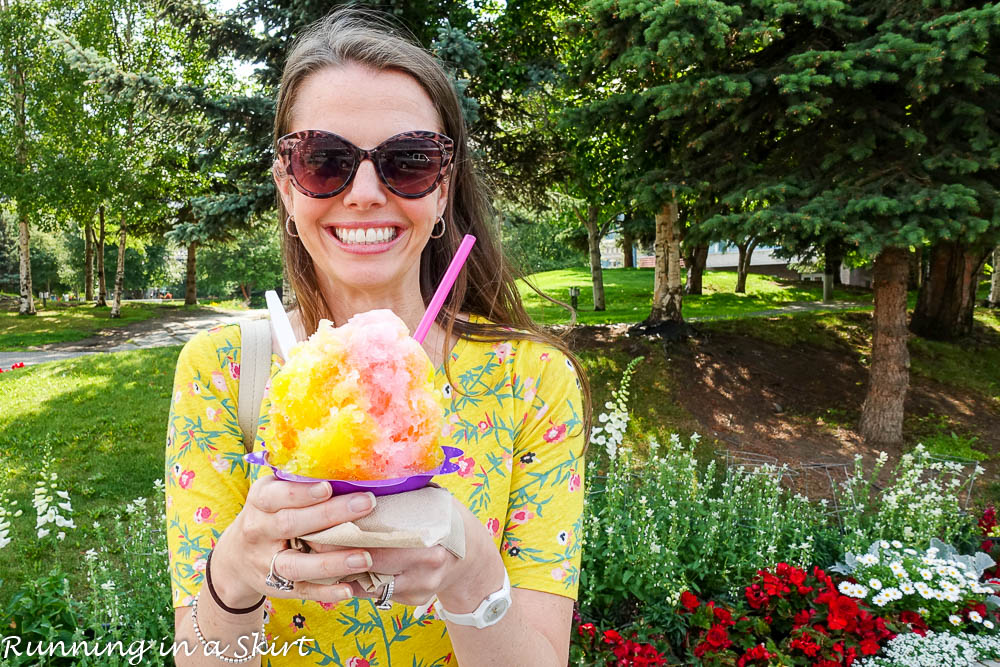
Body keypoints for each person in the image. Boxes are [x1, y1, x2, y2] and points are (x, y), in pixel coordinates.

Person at [166, 9, 590, 666]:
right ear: (286, 185)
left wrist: (472, 569)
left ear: (443, 187)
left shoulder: (531, 380)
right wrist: (236, 570)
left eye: (410, 160)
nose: (365, 192)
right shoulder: (223, 372)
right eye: (323, 160)